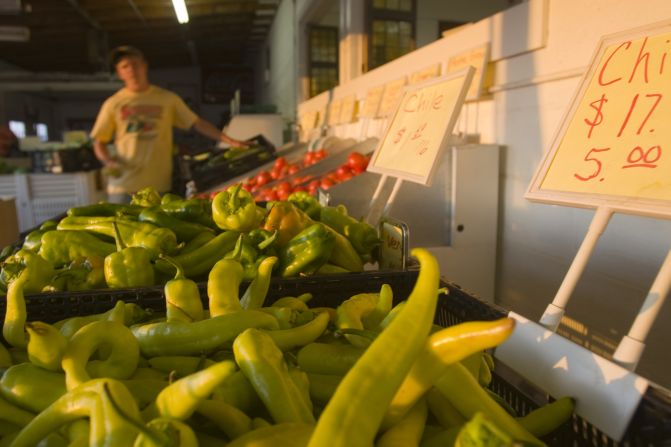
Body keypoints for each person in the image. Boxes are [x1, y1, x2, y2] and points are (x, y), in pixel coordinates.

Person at [91, 45, 248, 203]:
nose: (131, 69)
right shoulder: (113, 104)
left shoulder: (167, 99)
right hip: (123, 186)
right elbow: (99, 141)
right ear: (119, 73)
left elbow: (197, 123)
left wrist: (230, 140)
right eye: (125, 66)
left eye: (135, 63)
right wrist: (108, 161)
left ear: (145, 65)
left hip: (158, 185)